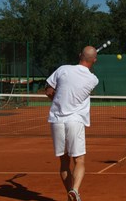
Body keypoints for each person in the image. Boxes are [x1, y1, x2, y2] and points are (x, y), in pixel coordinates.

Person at [45, 46, 99, 201]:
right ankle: (75, 190)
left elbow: (48, 90)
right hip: (75, 121)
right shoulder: (93, 79)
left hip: (57, 120)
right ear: (94, 60)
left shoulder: (63, 69)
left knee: (64, 162)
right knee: (79, 160)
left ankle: (70, 193)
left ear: (79, 55)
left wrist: (58, 100)